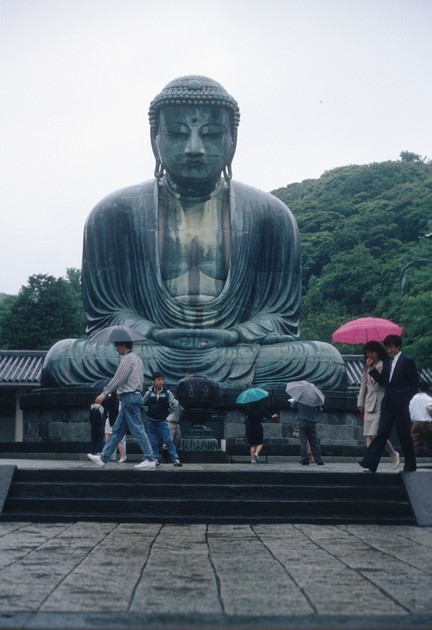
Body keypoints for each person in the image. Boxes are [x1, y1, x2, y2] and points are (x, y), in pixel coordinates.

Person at [41, 75, 346, 392]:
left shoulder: (270, 215)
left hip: (238, 349)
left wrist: (235, 334)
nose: (195, 148)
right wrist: (154, 332)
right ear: (154, 138)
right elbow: (106, 318)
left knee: (325, 361)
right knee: (62, 359)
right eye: (176, 133)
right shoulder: (114, 213)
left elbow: (280, 318)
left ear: (233, 140)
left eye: (212, 134)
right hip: (151, 350)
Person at [87, 341, 156, 470]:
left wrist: (103, 394)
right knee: (118, 430)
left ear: (123, 346)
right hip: (130, 398)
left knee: (137, 428)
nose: (116, 349)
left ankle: (150, 458)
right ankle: (104, 458)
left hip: (129, 397)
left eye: (117, 346)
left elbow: (117, 380)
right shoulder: (137, 359)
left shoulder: (127, 360)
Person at [359, 334, 419, 473]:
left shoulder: (407, 361)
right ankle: (371, 462)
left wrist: (403, 397)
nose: (389, 350)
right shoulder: (387, 362)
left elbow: (414, 384)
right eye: (387, 347)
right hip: (387, 404)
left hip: (401, 405)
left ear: (398, 346)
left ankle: (410, 465)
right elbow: (382, 381)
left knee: (404, 435)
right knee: (381, 434)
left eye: (391, 347)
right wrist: (372, 368)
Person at [357, 341, 400, 469]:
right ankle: (371, 463)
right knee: (369, 434)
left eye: (372, 352)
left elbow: (382, 382)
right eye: (368, 352)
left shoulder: (385, 364)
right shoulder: (367, 366)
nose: (370, 355)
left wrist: (373, 369)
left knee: (376, 433)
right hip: (369, 403)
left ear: (378, 352)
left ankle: (392, 453)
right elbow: (363, 385)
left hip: (382, 402)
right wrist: (360, 402)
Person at [142, 372, 182, 466]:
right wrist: (148, 411)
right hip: (151, 420)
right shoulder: (149, 393)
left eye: (162, 380)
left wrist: (167, 412)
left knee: (168, 440)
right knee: (153, 441)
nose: (161, 382)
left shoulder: (167, 392)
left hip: (162, 421)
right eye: (158, 379)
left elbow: (174, 404)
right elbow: (142, 403)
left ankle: (175, 459)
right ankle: (155, 459)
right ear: (153, 381)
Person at [291, 400, 324, 466]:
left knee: (303, 441)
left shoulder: (301, 397)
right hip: (312, 421)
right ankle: (318, 459)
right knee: (314, 442)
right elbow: (319, 410)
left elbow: (292, 406)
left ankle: (304, 459)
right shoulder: (315, 399)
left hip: (302, 421)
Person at [409, 381, 432, 456]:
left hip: (416, 423)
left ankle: (411, 458)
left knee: (414, 442)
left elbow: (410, 409)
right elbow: (430, 409)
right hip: (427, 423)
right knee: (430, 441)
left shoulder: (413, 398)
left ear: (419, 389)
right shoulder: (428, 398)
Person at [103, 393, 127, 463]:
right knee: (107, 439)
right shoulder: (109, 402)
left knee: (117, 439)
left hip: (114, 421)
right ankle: (108, 455)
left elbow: (116, 412)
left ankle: (123, 456)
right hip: (108, 420)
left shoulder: (116, 402)